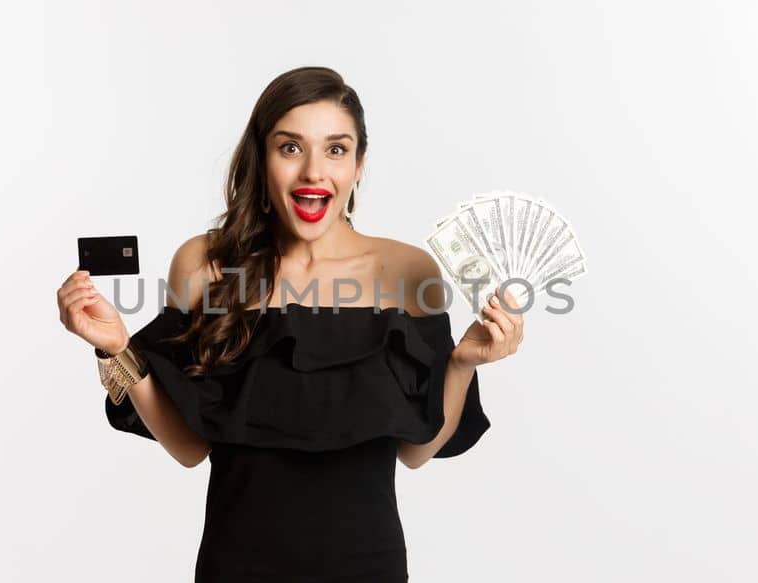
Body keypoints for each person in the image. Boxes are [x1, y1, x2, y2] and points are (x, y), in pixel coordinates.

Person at [57, 66, 525, 582]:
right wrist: (118, 348)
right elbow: (190, 448)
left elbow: (417, 451)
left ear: (359, 165)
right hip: (237, 566)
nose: (313, 173)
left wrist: (461, 362)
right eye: (290, 148)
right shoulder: (204, 265)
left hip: (368, 566)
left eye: (336, 149)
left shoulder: (408, 272)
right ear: (262, 159)